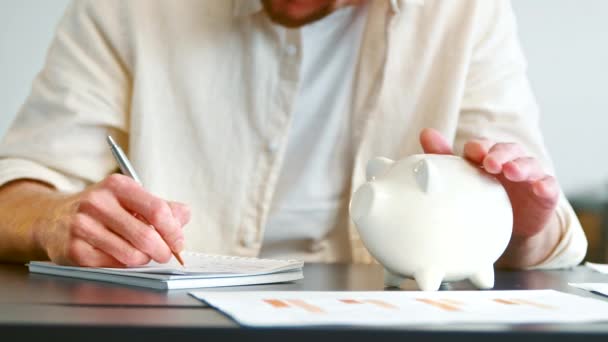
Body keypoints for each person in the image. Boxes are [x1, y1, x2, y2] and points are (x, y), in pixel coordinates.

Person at [0, 0, 587, 269]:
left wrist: (516, 233)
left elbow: (540, 234)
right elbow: (13, 195)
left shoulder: (467, 14)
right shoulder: (124, 9)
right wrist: (52, 215)